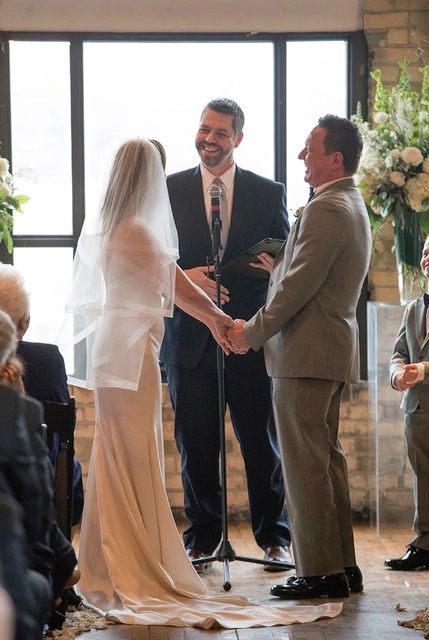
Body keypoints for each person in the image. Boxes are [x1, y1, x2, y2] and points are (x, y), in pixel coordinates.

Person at [66, 137, 340, 627]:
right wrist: (224, 322)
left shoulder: (112, 225)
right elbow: (180, 288)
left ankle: (105, 560)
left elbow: (170, 286)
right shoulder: (139, 231)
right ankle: (128, 561)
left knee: (116, 454)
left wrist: (222, 322)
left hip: (120, 351)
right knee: (130, 455)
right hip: (130, 358)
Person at [227, 115, 371, 599]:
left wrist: (251, 331)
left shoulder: (329, 207)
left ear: (336, 158)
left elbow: (298, 289)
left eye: (310, 149)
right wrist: (279, 263)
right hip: (323, 351)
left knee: (305, 464)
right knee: (325, 461)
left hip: (305, 352)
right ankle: (341, 566)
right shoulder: (347, 202)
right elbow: (305, 273)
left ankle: (319, 573)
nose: (301, 157)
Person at [160, 98, 291, 571]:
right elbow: (154, 258)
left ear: (238, 138)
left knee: (261, 441)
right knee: (196, 445)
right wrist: (187, 275)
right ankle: (202, 536)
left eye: (220, 132)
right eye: (204, 129)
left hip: (249, 336)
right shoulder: (168, 189)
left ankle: (275, 538)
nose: (208, 139)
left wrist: (269, 266)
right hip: (190, 340)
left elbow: (286, 262)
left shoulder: (267, 191)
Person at [0, 263, 84, 529]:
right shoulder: (48, 360)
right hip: (39, 487)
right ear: (25, 321)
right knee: (72, 465)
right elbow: (62, 430)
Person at [385, 235, 429, 571]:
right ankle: (424, 543)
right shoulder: (414, 308)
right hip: (416, 410)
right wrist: (398, 374)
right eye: (425, 252)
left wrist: (424, 369)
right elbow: (399, 353)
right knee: (422, 477)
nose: (426, 258)